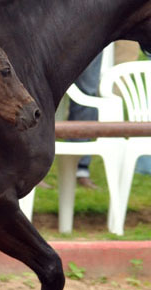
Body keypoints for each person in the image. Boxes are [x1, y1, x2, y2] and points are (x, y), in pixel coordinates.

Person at [68, 53, 103, 189]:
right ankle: (33, 165)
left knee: (88, 93)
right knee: (40, 89)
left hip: (90, 32)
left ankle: (80, 168)